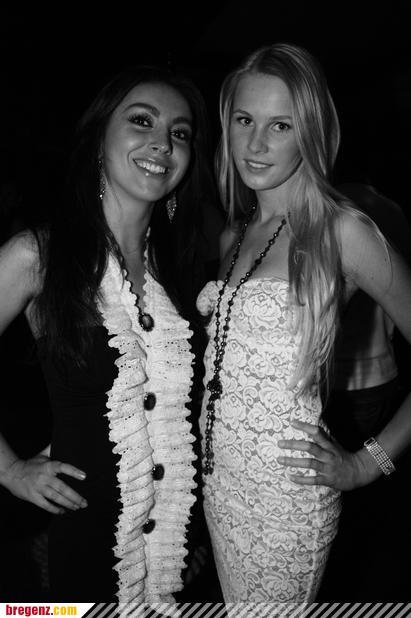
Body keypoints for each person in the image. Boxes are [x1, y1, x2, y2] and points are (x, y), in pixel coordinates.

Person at [196, 42, 411, 605]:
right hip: (221, 487)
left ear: (310, 132)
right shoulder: (234, 233)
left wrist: (367, 464)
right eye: (244, 120)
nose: (256, 144)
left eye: (281, 125)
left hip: (286, 503)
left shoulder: (342, 232)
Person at [0, 64, 215, 606]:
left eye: (180, 133)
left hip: (176, 550)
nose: (162, 143)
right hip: (87, 543)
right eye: (142, 121)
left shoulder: (183, 269)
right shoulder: (38, 256)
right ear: (99, 138)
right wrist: (10, 470)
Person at [318, 182, 411, 601]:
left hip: (361, 386)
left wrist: (367, 465)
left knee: (361, 513)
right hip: (351, 383)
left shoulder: (347, 221)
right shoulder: (390, 208)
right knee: (362, 514)